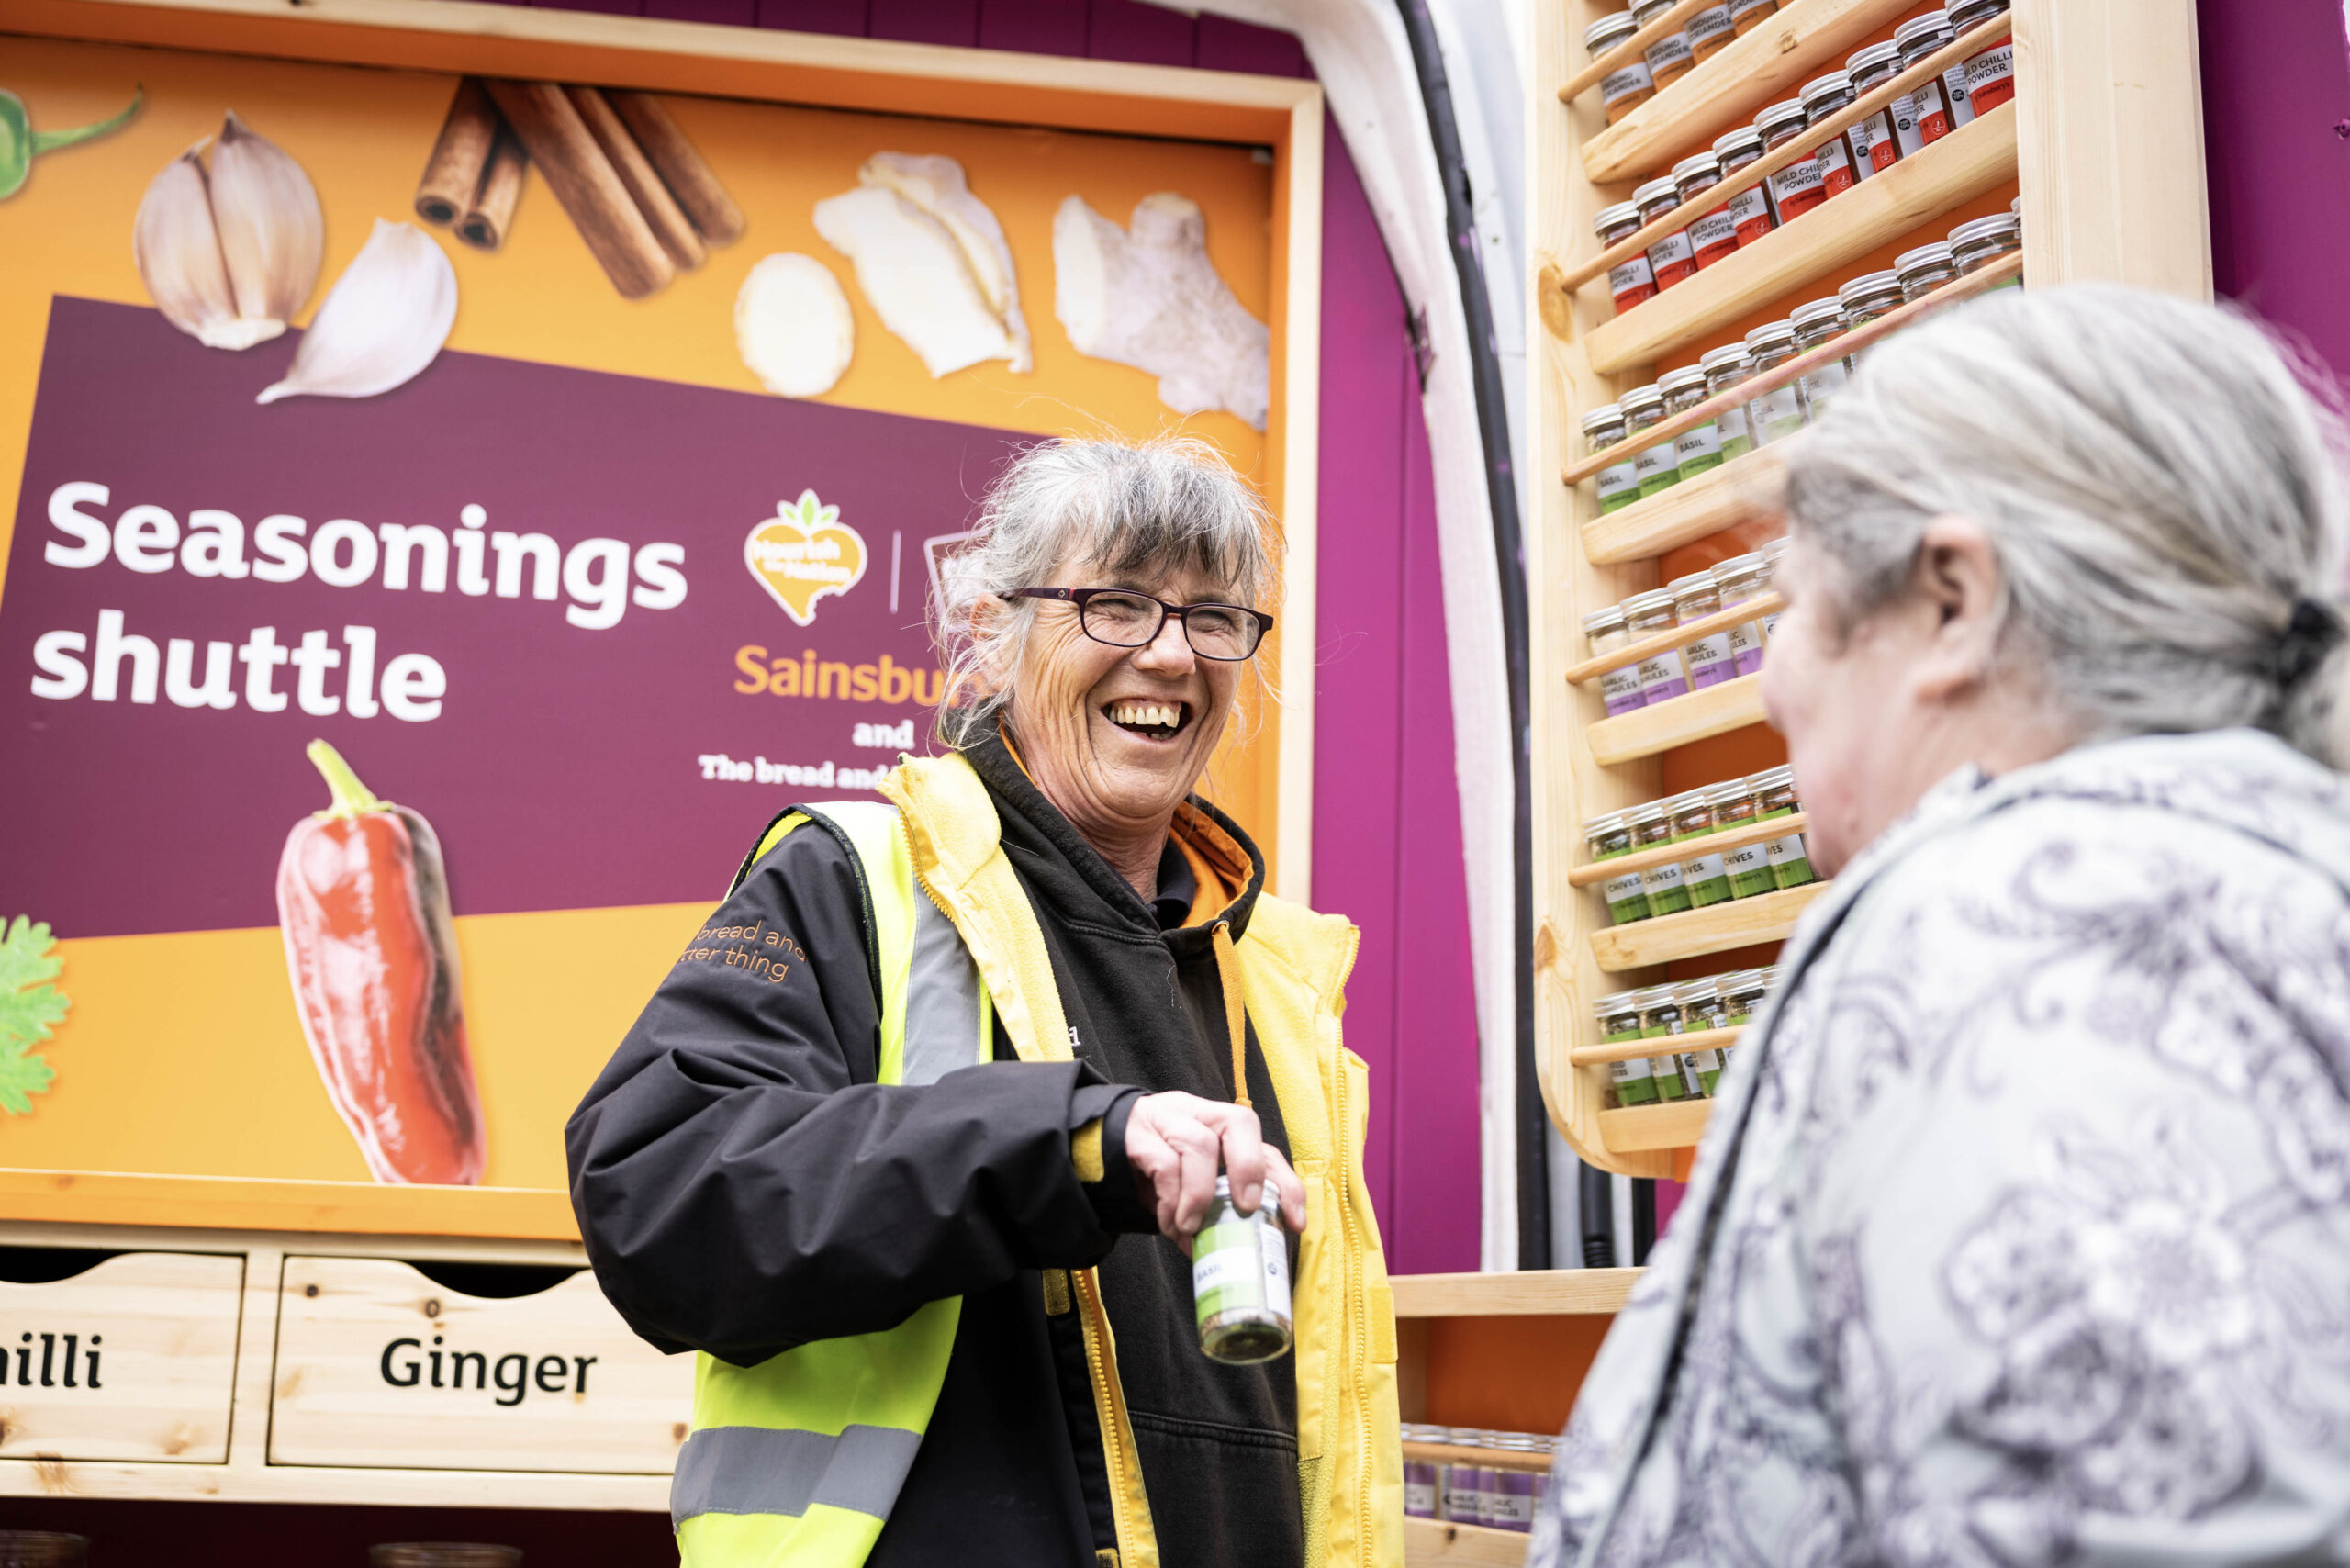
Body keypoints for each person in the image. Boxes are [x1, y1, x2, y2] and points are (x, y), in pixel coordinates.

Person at [1536, 285, 2350, 1566]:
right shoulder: (2240, 890)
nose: (1766, 682)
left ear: (1954, 602)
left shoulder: (2038, 945)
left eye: (1791, 606)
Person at [568, 436, 1401, 1568]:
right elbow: (660, 1201)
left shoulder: (1280, 978)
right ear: (992, 631)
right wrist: (1070, 1140)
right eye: (1115, 604)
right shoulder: (853, 875)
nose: (1168, 656)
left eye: (1213, 618)